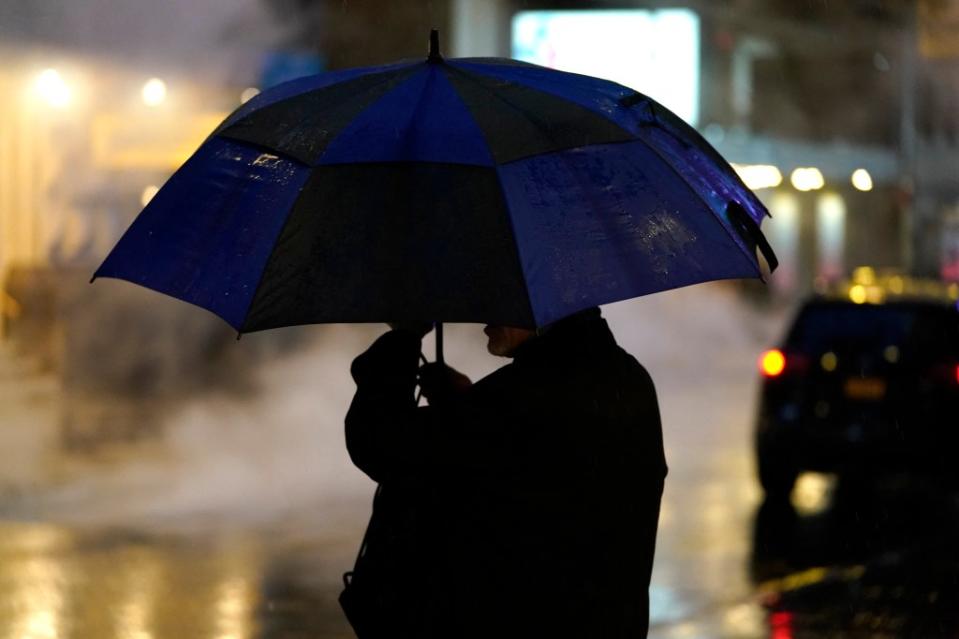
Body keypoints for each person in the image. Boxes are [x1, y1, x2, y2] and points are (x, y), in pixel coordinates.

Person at [340, 307, 667, 638]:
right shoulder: (628, 376)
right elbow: (542, 468)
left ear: (546, 306)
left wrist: (403, 338)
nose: (485, 312)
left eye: (502, 299)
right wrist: (464, 406)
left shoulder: (523, 396)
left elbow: (379, 444)